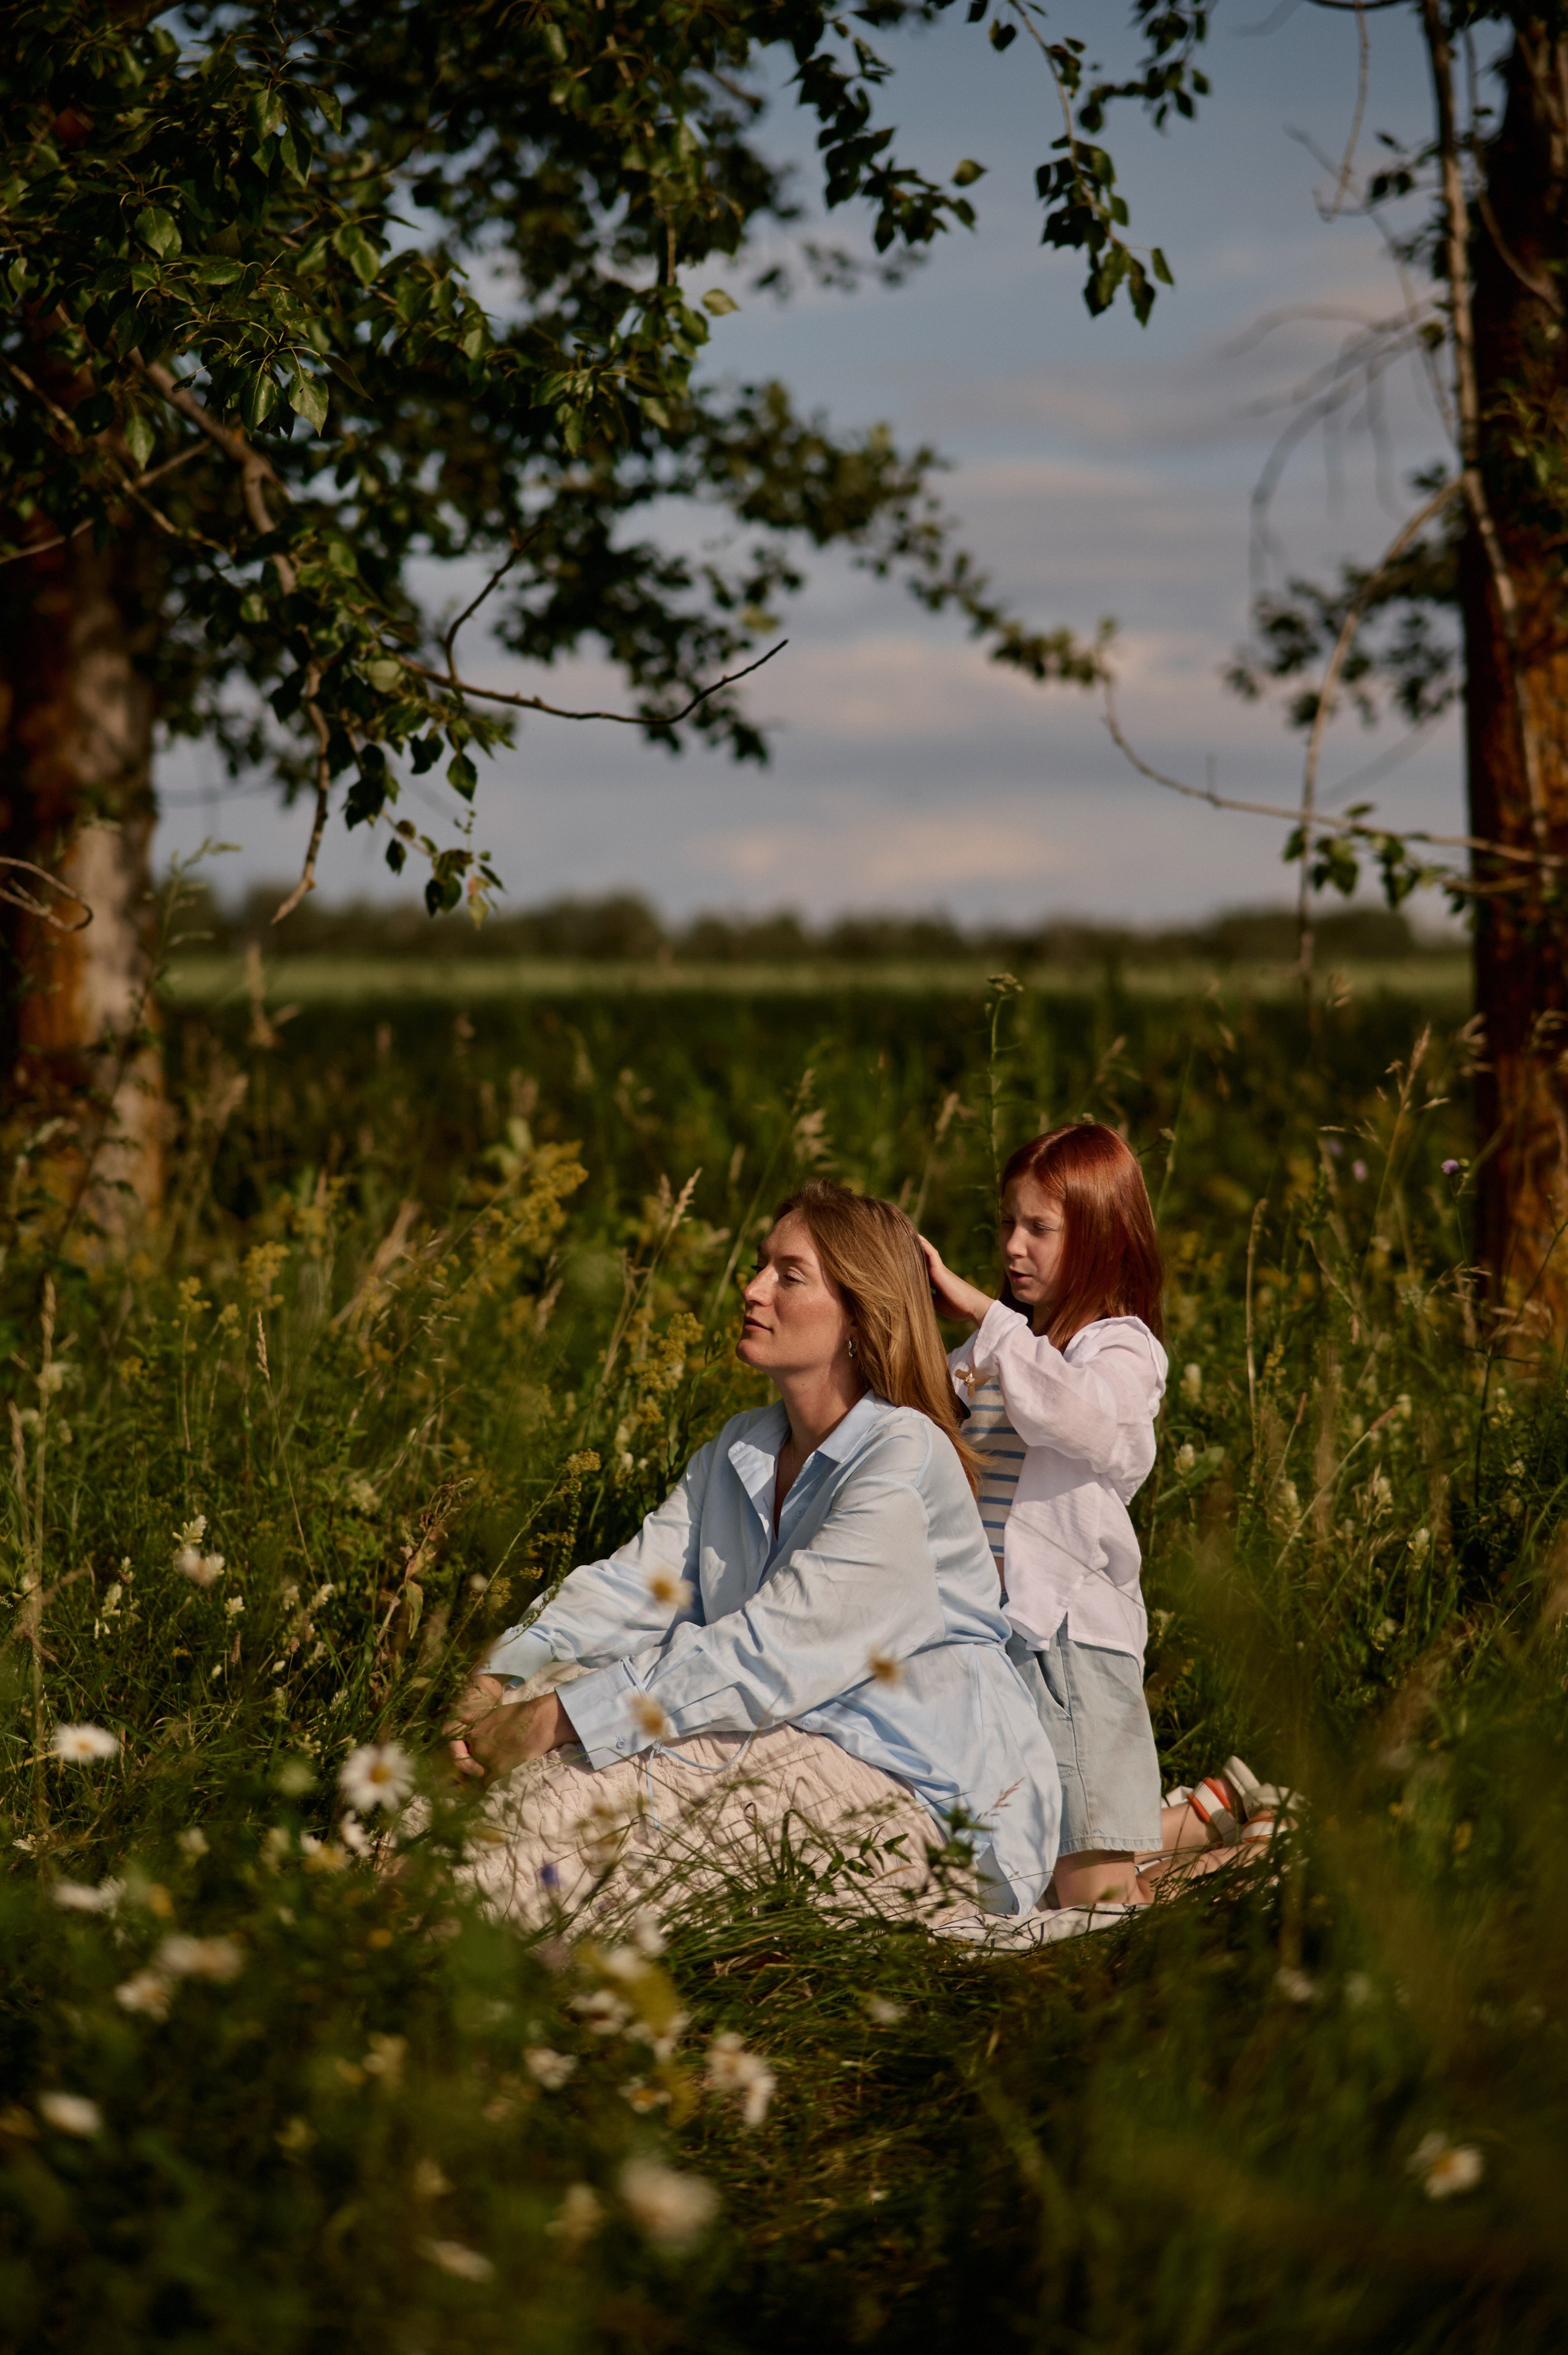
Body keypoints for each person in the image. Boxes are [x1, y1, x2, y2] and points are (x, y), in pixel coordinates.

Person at [450, 1180, 1063, 1932]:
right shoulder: (740, 1446)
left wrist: (561, 1716)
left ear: (858, 1316)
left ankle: (459, 1952)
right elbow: (628, 1590)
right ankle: (384, 1903)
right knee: (474, 1776)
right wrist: (502, 1674)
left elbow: (771, 1650)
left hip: (929, 1800)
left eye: (789, 1275)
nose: (752, 1288)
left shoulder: (903, 1455)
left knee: (581, 1797)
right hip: (784, 1737)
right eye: (761, 1264)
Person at [920, 1122, 1170, 1911]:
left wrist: (975, 1309)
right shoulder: (1011, 1348)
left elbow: (1078, 1416)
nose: (1012, 1248)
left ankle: (1264, 1866)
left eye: (1039, 1228)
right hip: (1004, 1644)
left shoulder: (1121, 1351)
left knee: (1093, 1901)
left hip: (1070, 1644)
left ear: (1098, 1236)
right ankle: (1201, 1825)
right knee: (1047, 1879)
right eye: (1006, 1224)